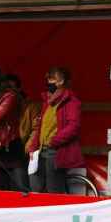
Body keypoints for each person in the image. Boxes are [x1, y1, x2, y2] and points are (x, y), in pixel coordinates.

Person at [27, 66, 84, 194]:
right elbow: (41, 126)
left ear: (61, 81)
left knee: (54, 190)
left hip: (56, 151)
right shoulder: (48, 101)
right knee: (36, 187)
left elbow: (73, 126)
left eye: (52, 79)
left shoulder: (71, 101)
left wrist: (54, 141)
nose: (48, 82)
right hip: (41, 150)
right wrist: (33, 147)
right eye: (48, 79)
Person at [5, 74, 41, 152]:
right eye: (4, 90)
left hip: (24, 152)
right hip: (6, 152)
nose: (7, 94)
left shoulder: (33, 107)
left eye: (10, 88)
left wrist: (26, 152)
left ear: (19, 89)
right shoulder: (4, 109)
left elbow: (37, 130)